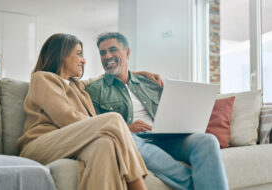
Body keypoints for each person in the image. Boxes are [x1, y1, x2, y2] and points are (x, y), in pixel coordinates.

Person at [85, 32, 229, 190]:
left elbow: (169, 111)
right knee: (129, 141)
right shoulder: (95, 90)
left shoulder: (149, 82)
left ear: (127, 52)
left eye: (113, 50)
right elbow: (96, 127)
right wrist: (126, 129)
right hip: (133, 140)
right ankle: (197, 185)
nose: (107, 56)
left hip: (165, 137)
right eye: (103, 53)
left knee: (207, 140)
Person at [16, 33, 157, 190]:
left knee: (105, 144)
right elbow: (67, 118)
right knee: (114, 119)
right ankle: (137, 186)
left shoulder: (76, 86)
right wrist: (107, 126)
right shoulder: (42, 78)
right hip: (40, 145)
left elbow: (103, 78)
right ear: (62, 55)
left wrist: (137, 74)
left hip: (70, 143)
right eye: (79, 53)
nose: (84, 60)